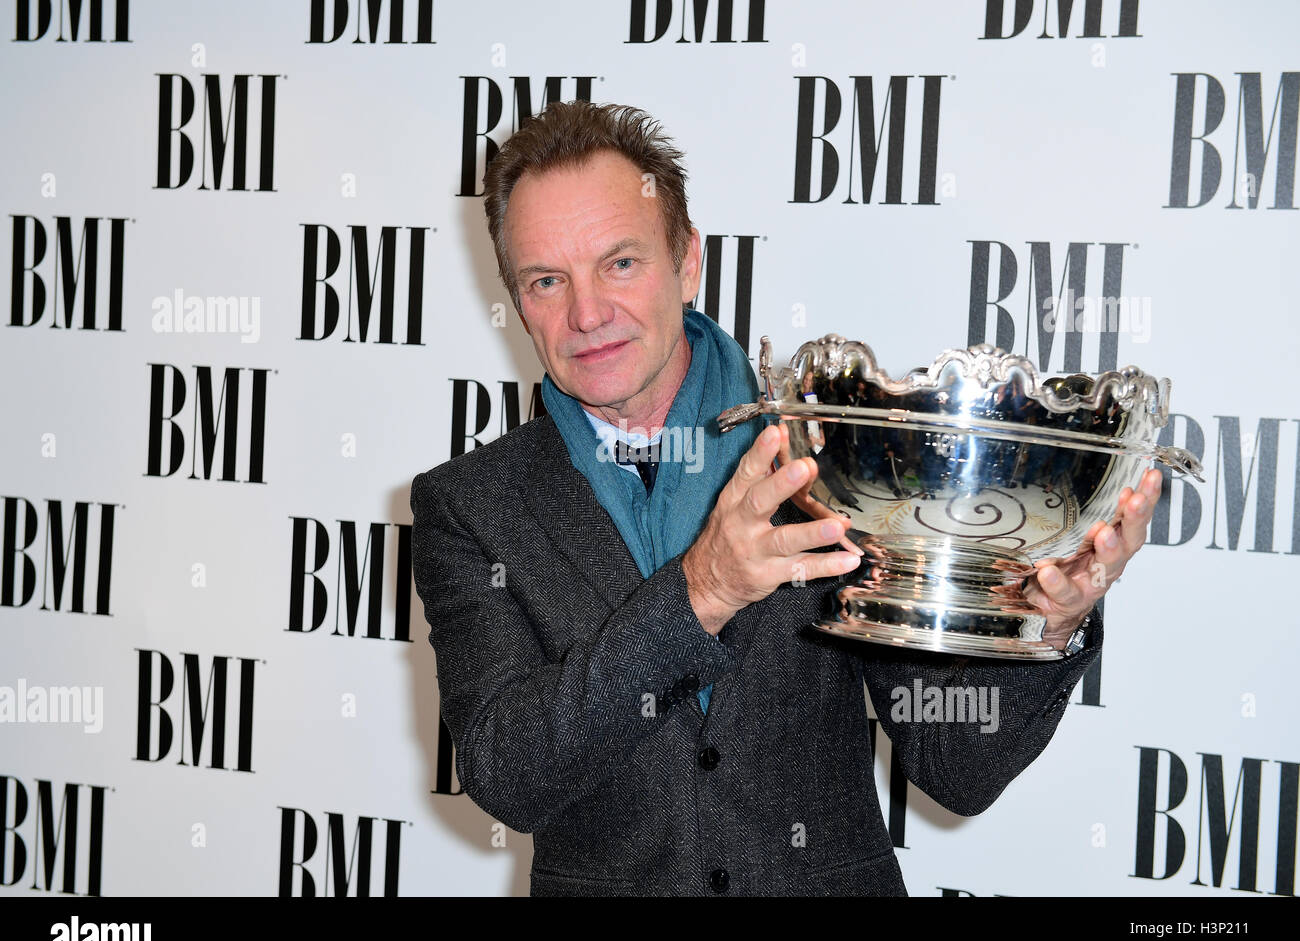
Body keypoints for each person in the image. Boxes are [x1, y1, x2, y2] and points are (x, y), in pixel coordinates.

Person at [409, 100, 1163, 896]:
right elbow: (508, 774)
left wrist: (1053, 617)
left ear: (687, 259)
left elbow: (957, 762)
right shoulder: (471, 506)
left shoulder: (830, 453)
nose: (587, 313)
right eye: (546, 280)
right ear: (516, 297)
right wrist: (702, 591)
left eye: (620, 263)